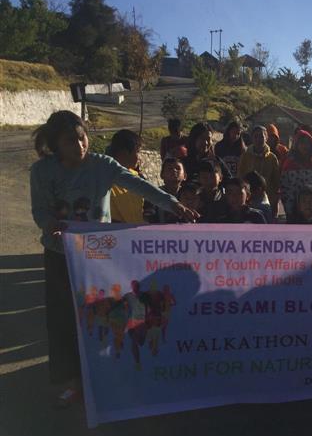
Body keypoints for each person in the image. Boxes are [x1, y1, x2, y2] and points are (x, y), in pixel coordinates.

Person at [30, 111, 198, 406]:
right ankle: (74, 382)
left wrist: (173, 205)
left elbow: (140, 185)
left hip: (97, 256)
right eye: (70, 141)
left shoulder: (102, 166)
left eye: (82, 138)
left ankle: (108, 373)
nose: (80, 146)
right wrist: (48, 225)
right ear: (55, 145)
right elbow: (40, 211)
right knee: (65, 320)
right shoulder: (42, 172)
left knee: (106, 316)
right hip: (59, 255)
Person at [281, 130, 312, 221]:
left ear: (311, 145)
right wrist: (290, 208)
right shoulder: (289, 164)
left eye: (307, 143)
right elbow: (285, 188)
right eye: (301, 143)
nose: (305, 146)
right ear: (296, 145)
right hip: (294, 209)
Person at [237, 125, 280, 216]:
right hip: (248, 198)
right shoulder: (245, 156)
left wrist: (275, 200)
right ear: (252, 138)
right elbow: (240, 175)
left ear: (266, 138)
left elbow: (276, 181)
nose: (258, 139)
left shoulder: (272, 158)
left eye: (261, 136)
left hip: (266, 199)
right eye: (255, 136)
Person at [106, 129, 145, 223]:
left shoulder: (137, 177)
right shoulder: (104, 180)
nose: (140, 157)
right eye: (138, 152)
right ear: (125, 152)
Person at [144, 158, 186, 224]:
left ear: (185, 176)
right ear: (161, 175)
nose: (174, 170)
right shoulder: (153, 194)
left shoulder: (191, 195)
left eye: (178, 168)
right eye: (169, 169)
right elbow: (148, 217)